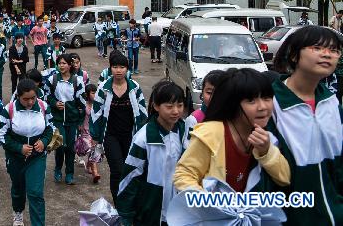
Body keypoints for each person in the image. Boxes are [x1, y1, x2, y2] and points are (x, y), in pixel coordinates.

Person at [173, 68, 290, 198]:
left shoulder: (266, 137)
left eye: (267, 98)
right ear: (233, 104)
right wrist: (208, 205)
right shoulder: (210, 134)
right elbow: (184, 175)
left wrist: (266, 151)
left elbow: (284, 178)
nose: (262, 107)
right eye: (251, 101)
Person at [270, 25, 343, 224]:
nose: (327, 55)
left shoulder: (332, 103)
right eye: (318, 48)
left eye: (334, 50)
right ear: (294, 55)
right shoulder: (271, 103)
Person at [116, 80, 192, 225]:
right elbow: (130, 177)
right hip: (151, 210)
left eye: (180, 105)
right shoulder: (144, 138)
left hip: (180, 209)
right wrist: (126, 214)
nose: (176, 111)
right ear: (156, 106)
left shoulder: (186, 132)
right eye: (169, 106)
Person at [89, 51, 148, 205]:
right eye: (115, 66)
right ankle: (119, 203)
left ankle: (130, 201)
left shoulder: (135, 88)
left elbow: (142, 113)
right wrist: (95, 136)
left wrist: (143, 134)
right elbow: (96, 113)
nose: (119, 70)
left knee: (131, 169)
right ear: (110, 69)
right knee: (117, 170)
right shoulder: (104, 88)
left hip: (131, 135)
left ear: (127, 69)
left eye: (122, 67)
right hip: (110, 136)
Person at [0, 77, 54, 226]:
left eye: (33, 98)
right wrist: (18, 148)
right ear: (18, 97)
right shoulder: (8, 110)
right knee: (18, 188)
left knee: (35, 193)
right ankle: (17, 212)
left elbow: (51, 128)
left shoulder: (43, 106)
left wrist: (44, 141)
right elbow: (1, 134)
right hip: (15, 158)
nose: (30, 102)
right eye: (25, 99)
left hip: (37, 158)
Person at [45, 53, 86, 185]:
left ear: (70, 65)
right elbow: (46, 96)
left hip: (72, 121)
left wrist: (80, 121)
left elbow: (82, 103)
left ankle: (69, 174)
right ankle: (57, 169)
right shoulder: (52, 80)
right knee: (60, 146)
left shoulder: (77, 81)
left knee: (70, 148)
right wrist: (54, 103)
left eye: (64, 63)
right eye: (59, 63)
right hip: (57, 119)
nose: (61, 66)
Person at [75, 83, 102, 184]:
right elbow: (79, 116)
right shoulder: (83, 105)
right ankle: (94, 171)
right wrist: (79, 125)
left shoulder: (99, 105)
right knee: (91, 148)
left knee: (96, 148)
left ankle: (91, 167)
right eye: (93, 93)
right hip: (85, 131)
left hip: (95, 131)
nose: (95, 95)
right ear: (87, 94)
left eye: (96, 93)